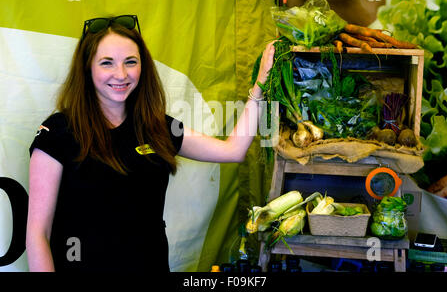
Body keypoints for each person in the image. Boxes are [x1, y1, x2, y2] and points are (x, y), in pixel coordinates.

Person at [26, 15, 275, 272]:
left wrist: (259, 87)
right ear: (87, 67)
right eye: (107, 63)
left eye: (130, 62)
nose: (120, 74)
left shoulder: (158, 128)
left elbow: (232, 150)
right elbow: (38, 235)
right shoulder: (57, 132)